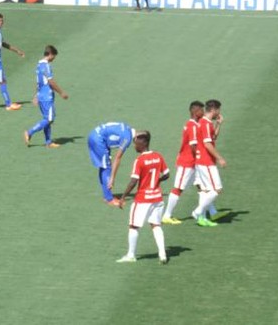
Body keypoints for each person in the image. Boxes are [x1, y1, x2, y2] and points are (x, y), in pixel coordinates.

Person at [116, 131, 170, 264]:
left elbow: (133, 181)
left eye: (137, 143)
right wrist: (158, 181)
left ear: (144, 143)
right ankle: (162, 254)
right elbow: (167, 174)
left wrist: (123, 197)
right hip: (157, 198)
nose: (135, 146)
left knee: (133, 226)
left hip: (142, 200)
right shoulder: (158, 156)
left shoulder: (139, 160)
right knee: (156, 225)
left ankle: (131, 255)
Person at [161, 100, 204, 225]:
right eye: (201, 110)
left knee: (201, 186)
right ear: (196, 112)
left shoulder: (191, 124)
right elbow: (193, 146)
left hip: (192, 162)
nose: (203, 112)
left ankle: (208, 213)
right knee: (178, 188)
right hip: (188, 162)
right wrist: (200, 157)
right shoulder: (192, 126)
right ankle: (167, 215)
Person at [24, 45, 69, 148]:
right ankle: (29, 132)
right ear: (50, 54)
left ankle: (48, 142)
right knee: (49, 119)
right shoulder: (46, 66)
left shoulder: (39, 65)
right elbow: (51, 82)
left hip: (41, 95)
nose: (54, 59)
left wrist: (36, 95)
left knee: (47, 118)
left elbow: (38, 82)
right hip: (46, 96)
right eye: (54, 56)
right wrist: (61, 92)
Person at [191, 99, 227, 226]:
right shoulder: (205, 124)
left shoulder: (205, 123)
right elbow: (207, 144)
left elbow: (213, 138)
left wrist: (218, 124)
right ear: (213, 110)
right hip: (206, 162)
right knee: (217, 189)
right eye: (218, 110)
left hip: (202, 161)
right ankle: (198, 211)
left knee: (206, 191)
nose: (219, 113)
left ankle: (202, 218)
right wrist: (219, 158)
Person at [87, 122, 137, 207]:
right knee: (107, 168)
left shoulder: (126, 128)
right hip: (98, 140)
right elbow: (117, 158)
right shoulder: (127, 138)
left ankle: (106, 195)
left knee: (104, 166)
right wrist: (112, 178)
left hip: (95, 135)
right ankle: (109, 199)